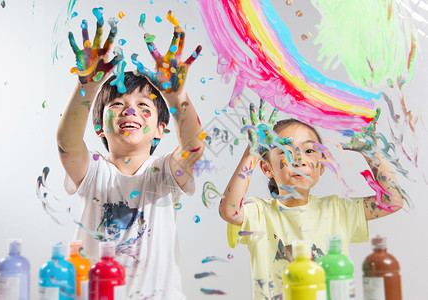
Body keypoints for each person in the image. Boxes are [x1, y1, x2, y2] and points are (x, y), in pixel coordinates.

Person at [56, 11, 204, 299]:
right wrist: (86, 87)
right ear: (98, 127)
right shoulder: (93, 172)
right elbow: (67, 143)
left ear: (161, 129)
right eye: (118, 104)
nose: (130, 110)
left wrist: (176, 98)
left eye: (143, 105)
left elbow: (193, 149)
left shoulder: (163, 174)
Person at [219, 99, 405, 299]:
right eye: (286, 151)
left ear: (322, 167)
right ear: (267, 168)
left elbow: (392, 200)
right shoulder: (259, 213)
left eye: (309, 151)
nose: (299, 159)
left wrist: (372, 152)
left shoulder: (337, 210)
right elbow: (230, 211)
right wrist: (252, 154)